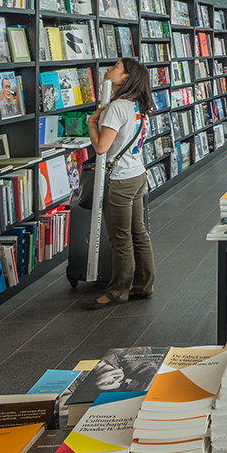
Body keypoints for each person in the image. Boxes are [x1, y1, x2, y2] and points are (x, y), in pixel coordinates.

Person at [85, 57, 154, 309]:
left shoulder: (116, 108)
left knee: (121, 239)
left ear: (126, 77)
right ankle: (144, 286)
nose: (109, 69)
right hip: (137, 174)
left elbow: (101, 147)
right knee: (139, 233)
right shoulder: (139, 106)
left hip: (121, 180)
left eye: (116, 67)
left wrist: (91, 123)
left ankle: (118, 292)